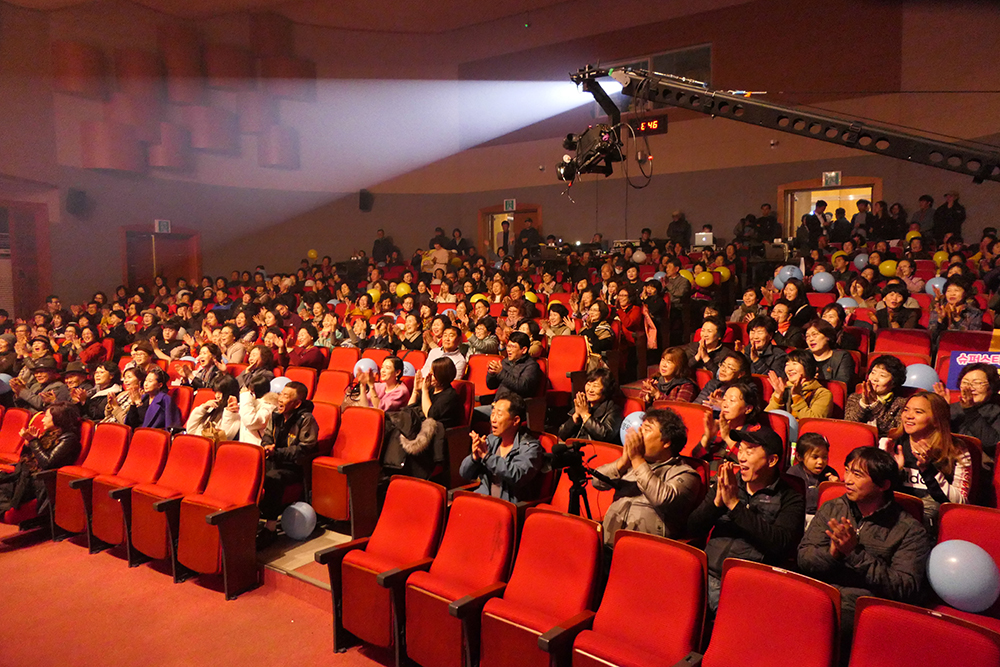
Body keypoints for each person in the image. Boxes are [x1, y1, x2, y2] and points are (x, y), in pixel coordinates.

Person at [798, 446, 931, 637]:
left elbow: (904, 587)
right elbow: (803, 557)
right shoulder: (832, 508)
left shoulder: (909, 529)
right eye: (847, 470)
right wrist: (832, 554)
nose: (848, 480)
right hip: (820, 596)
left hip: (862, 609)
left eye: (857, 475)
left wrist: (855, 554)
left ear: (883, 485)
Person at [687, 428, 805, 611]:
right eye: (740, 450)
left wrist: (735, 506)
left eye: (749, 451)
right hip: (705, 574)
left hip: (746, 586)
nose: (741, 457)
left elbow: (781, 543)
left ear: (772, 460)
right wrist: (717, 504)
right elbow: (692, 528)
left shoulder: (791, 497)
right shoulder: (728, 483)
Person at [592, 407, 701, 548]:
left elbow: (662, 498)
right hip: (609, 543)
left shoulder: (685, 474)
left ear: (666, 442)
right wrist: (622, 464)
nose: (639, 434)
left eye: (647, 429)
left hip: (646, 552)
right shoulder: (630, 464)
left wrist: (637, 459)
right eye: (640, 428)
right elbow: (597, 481)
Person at [880, 391, 972, 525]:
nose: (909, 416)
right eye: (906, 410)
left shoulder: (956, 450)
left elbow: (959, 502)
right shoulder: (890, 444)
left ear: (936, 420)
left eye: (918, 412)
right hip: (891, 516)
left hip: (931, 522)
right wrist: (893, 470)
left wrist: (928, 470)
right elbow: (875, 493)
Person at [257, 381, 319, 549]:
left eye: (285, 396)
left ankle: (270, 529)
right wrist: (267, 446)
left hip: (294, 467)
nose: (280, 399)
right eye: (280, 394)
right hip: (273, 459)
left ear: (297, 403)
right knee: (252, 472)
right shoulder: (276, 415)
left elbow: (304, 449)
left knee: (272, 478)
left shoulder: (306, 419)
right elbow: (267, 435)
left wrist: (277, 452)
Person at [0, 402, 81, 517]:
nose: (42, 420)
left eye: (46, 416)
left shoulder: (69, 439)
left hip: (38, 483)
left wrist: (33, 442)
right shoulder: (48, 434)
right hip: (23, 477)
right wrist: (28, 444)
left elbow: (47, 463)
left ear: (58, 418)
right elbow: (25, 458)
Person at [459, 393, 543, 503]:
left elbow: (517, 476)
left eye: (499, 415)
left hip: (507, 508)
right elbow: (464, 473)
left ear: (515, 420)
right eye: (492, 414)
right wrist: (475, 457)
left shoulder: (530, 448)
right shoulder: (491, 440)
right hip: (483, 500)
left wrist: (487, 456)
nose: (493, 419)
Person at [936, 362, 1000, 461]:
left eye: (977, 383)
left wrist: (970, 410)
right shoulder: (952, 408)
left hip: (981, 466)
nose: (970, 388)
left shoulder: (997, 410)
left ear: (991, 387)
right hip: (948, 462)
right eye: (965, 382)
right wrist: (942, 411)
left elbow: (993, 444)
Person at [845, 355, 909, 438]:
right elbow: (849, 424)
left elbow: (889, 431)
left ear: (894, 382)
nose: (874, 378)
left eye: (882, 375)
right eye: (873, 372)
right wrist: (864, 404)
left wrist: (875, 406)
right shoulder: (854, 398)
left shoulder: (901, 404)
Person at [558, 368, 623, 444]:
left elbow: (606, 435)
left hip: (595, 451)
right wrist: (576, 416)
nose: (590, 390)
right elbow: (562, 434)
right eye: (588, 385)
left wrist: (585, 415)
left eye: (595, 386)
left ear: (606, 389)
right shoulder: (584, 404)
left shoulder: (614, 409)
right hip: (575, 449)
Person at [766, 350, 833, 419]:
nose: (789, 369)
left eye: (795, 364)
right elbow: (767, 419)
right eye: (787, 365)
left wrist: (797, 397)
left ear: (808, 366)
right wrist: (778, 395)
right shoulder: (783, 388)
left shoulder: (822, 394)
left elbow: (813, 423)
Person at [786, 433, 839, 518]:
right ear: (799, 457)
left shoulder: (830, 474)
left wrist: (834, 487)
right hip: (799, 515)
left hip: (823, 516)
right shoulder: (793, 474)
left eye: (824, 457)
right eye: (815, 457)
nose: (820, 462)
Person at [484, 331, 542, 399]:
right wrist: (491, 374)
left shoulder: (531, 366)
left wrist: (501, 372)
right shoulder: (505, 362)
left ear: (524, 350)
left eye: (513, 347)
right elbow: (491, 386)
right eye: (508, 346)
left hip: (515, 406)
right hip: (498, 403)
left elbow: (522, 387)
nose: (508, 350)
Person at [185, 373, 241, 440]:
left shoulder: (235, 413)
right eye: (216, 392)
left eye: (220, 392)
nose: (217, 396)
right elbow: (191, 430)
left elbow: (224, 436)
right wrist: (202, 408)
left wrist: (229, 413)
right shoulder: (212, 408)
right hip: (198, 443)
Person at [804, 319, 855, 386]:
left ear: (827, 337)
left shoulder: (841, 357)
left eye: (815, 335)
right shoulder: (804, 356)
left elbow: (842, 385)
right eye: (807, 336)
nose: (811, 339)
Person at [238, 374, 278, 446]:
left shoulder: (269, 407)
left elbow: (250, 422)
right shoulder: (248, 403)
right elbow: (230, 431)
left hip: (257, 447)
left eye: (251, 391)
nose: (249, 393)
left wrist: (245, 396)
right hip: (243, 445)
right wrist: (230, 412)